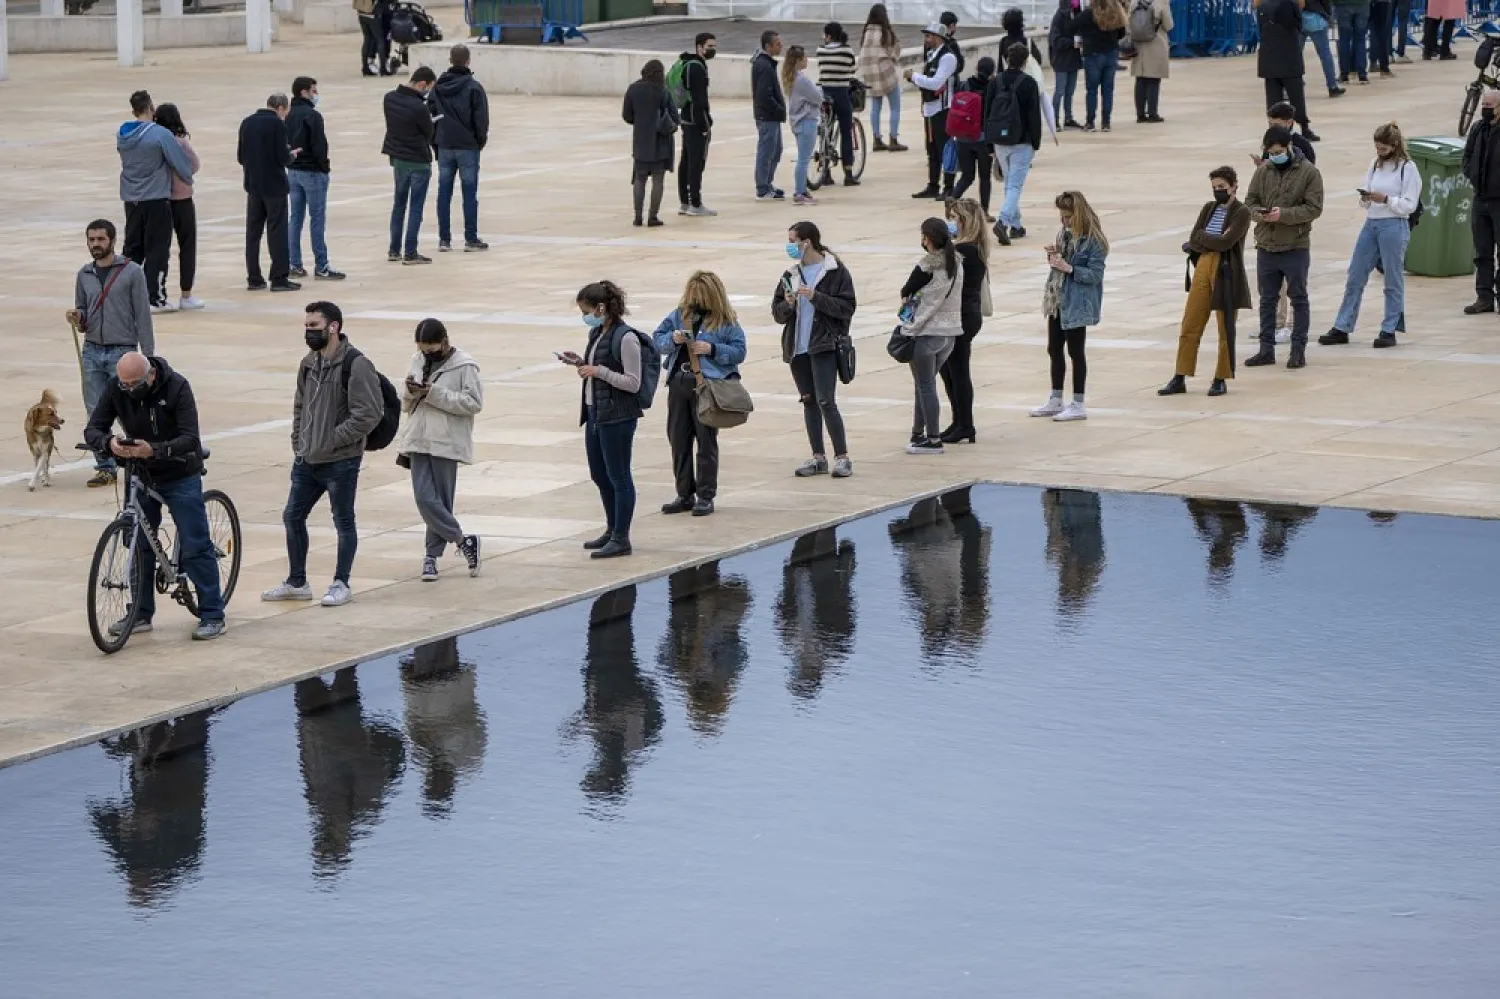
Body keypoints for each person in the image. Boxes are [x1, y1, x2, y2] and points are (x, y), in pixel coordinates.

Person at [84, 351, 224, 641]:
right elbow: (93, 428)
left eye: (135, 383)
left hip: (179, 471)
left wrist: (156, 450)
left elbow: (190, 439)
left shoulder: (177, 387)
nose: (129, 390)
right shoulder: (116, 387)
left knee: (195, 543)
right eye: (124, 384)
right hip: (140, 471)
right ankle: (140, 613)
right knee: (137, 544)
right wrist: (108, 442)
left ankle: (212, 614)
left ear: (150, 375)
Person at [263, 301, 384, 608]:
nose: (308, 332)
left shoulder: (356, 364)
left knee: (343, 521)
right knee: (292, 516)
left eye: (314, 327)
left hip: (340, 461)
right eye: (306, 327)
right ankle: (297, 581)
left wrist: (332, 440)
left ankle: (341, 583)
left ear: (334, 327)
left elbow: (368, 414)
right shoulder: (308, 363)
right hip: (307, 459)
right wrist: (298, 440)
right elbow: (300, 406)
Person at [651, 271, 748, 518]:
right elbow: (656, 340)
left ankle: (705, 495)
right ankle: (684, 493)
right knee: (678, 439)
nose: (695, 301)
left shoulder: (726, 321)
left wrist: (712, 348)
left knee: (706, 441)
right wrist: (672, 339)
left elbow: (739, 352)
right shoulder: (679, 314)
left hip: (706, 385)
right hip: (678, 383)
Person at [67, 220, 155, 487]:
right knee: (95, 411)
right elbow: (83, 311)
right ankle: (105, 466)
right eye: (91, 239)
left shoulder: (131, 273)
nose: (96, 244)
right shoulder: (84, 274)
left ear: (113, 241)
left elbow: (143, 315)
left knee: (130, 409)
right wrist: (77, 317)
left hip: (122, 351)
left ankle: (138, 457)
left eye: (100, 239)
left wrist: (149, 358)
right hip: (92, 350)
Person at [1320, 123, 1421, 348]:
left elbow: (1409, 205)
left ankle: (1389, 328)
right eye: (1377, 148)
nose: (1379, 152)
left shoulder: (1408, 168)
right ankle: (1342, 326)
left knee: (1392, 278)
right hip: (1372, 223)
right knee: (1355, 275)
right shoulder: (1374, 165)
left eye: (1383, 149)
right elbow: (1367, 193)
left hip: (1394, 225)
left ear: (1394, 146)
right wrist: (1366, 198)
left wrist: (1386, 199)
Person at [397, 317, 483, 581]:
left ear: (445, 342)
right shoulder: (418, 359)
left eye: (432, 349)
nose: (427, 354)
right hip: (419, 437)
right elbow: (405, 402)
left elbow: (473, 403)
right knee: (424, 498)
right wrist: (412, 392)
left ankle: (431, 558)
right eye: (423, 349)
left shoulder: (465, 365)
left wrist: (433, 393)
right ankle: (462, 540)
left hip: (446, 441)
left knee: (442, 501)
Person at [772, 220, 856, 478]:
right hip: (798, 347)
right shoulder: (790, 274)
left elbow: (847, 307)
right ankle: (818, 456)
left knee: (826, 401)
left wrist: (815, 297)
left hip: (824, 345)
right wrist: (788, 305)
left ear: (806, 242)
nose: (790, 246)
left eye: (793, 240)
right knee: (809, 401)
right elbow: (777, 313)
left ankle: (842, 457)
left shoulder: (834, 271)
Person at [1160, 166, 1253, 398]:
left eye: (1222, 187)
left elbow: (1226, 242)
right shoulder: (1208, 208)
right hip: (1203, 265)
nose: (1218, 191)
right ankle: (1180, 375)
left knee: (1225, 327)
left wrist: (1206, 239)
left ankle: (1221, 377)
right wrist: (1210, 240)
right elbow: (1195, 237)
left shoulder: (1241, 212)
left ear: (1233, 186)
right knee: (1191, 321)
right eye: (1214, 188)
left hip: (1226, 270)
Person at [1244, 125, 1325, 369]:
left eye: (1279, 151)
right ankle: (1265, 349)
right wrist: (1260, 214)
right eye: (1271, 152)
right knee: (1267, 300)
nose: (1275, 156)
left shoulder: (1309, 173)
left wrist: (1284, 215)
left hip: (1295, 245)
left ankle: (1298, 350)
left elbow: (1314, 208)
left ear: (1289, 147)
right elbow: (1249, 202)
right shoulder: (1263, 171)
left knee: (1298, 298)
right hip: (1266, 245)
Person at [572, 281, 642, 560]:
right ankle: (611, 528)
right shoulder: (597, 333)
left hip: (617, 416)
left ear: (601, 308)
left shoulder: (626, 338)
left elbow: (632, 382)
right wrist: (580, 363)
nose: (585, 315)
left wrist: (598, 371)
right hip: (595, 413)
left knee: (619, 476)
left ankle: (621, 537)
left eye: (586, 310)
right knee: (599, 475)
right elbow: (596, 368)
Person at [1032, 190, 1108, 422]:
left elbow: (1095, 274)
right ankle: (1056, 398)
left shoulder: (1094, 241)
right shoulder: (1064, 234)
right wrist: (1054, 257)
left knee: (1076, 351)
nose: (1064, 221)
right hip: (1058, 297)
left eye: (1068, 216)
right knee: (1054, 349)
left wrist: (1069, 268)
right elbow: (1060, 264)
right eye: (1062, 216)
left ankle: (1078, 401)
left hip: (1078, 301)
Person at [117, 89, 195, 312]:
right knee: (157, 249)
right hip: (156, 198)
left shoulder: (123, 134)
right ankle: (155, 297)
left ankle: (122, 293)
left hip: (131, 198)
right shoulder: (160, 134)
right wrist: (188, 179)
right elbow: (180, 163)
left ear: (133, 110)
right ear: (151, 108)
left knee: (132, 248)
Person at [899, 218, 966, 454]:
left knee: (925, 385)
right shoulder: (956, 263)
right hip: (950, 334)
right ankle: (917, 434)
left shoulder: (928, 264)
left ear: (927, 238)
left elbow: (906, 290)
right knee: (923, 384)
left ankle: (933, 439)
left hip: (928, 332)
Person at [286, 77, 346, 282]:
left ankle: (294, 263)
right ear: (304, 92)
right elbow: (319, 146)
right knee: (317, 219)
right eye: (313, 91)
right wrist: (324, 168)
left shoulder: (287, 114)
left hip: (293, 170)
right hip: (312, 171)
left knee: (295, 218)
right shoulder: (312, 115)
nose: (316, 94)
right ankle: (321, 265)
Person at [238, 93, 298, 293]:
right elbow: (282, 158)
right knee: (277, 232)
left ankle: (254, 278)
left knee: (253, 233)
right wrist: (292, 155)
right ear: (280, 107)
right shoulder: (277, 125)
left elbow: (241, 156)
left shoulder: (247, 123)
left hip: (253, 186)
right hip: (274, 187)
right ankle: (279, 278)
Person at [432, 45, 491, 253]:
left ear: (450, 60)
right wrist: (478, 142)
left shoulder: (438, 87)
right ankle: (470, 238)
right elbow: (481, 120)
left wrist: (435, 141)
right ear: (468, 61)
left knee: (444, 192)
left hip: (445, 145)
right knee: (469, 193)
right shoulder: (474, 87)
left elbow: (431, 116)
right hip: (467, 147)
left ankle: (444, 240)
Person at [941, 199, 990, 442]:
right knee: (949, 370)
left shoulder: (966, 250)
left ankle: (966, 424)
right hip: (964, 314)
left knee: (958, 371)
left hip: (962, 316)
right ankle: (958, 420)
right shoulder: (971, 246)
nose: (952, 223)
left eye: (954, 218)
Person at [987, 44, 1043, 244]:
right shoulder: (1029, 83)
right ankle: (1003, 222)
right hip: (1022, 141)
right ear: (1026, 61)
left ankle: (1016, 226)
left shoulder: (996, 81)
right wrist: (1035, 142)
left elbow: (988, 113)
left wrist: (989, 142)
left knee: (1010, 183)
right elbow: (1034, 116)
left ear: (1006, 59)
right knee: (1015, 185)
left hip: (1000, 141)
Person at [382, 66, 438, 265]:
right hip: (418, 161)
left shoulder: (389, 98)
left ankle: (394, 249)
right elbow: (428, 132)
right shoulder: (419, 107)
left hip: (398, 159)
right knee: (415, 208)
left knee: (398, 205)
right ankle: (411, 252)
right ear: (422, 84)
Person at [151, 103, 203, 311]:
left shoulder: (154, 141)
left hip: (160, 198)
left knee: (160, 248)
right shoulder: (180, 143)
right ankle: (186, 294)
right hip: (182, 200)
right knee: (187, 246)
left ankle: (157, 292)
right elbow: (194, 165)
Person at [908, 23, 962, 199]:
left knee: (945, 148)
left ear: (938, 37)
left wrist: (914, 76)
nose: (926, 40)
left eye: (928, 36)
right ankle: (932, 185)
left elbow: (936, 83)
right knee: (932, 149)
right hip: (930, 109)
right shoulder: (932, 55)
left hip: (943, 109)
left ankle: (948, 187)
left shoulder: (947, 58)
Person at [623, 59, 678, 226]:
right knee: (658, 180)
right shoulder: (663, 91)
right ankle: (653, 216)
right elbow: (675, 117)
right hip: (660, 143)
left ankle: (638, 216)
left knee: (639, 179)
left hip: (640, 142)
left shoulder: (633, 89)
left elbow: (627, 116)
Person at [1258, 0, 1318, 141]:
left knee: (1273, 97)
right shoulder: (1290, 4)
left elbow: (1261, 27)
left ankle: (1274, 129)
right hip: (1288, 56)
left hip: (1269, 56)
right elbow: (1297, 24)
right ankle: (1304, 127)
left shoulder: (1263, 5)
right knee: (1296, 96)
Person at [1462, 89, 1500, 314]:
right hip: (1480, 198)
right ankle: (1484, 296)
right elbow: (1466, 155)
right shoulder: (1478, 128)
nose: (1485, 108)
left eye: (1489, 104)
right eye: (1483, 104)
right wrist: (1471, 173)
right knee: (1482, 251)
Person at [676, 32, 717, 217]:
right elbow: (698, 99)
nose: (712, 50)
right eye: (709, 46)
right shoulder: (697, 68)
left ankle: (685, 202)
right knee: (695, 163)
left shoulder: (688, 64)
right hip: (694, 121)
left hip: (686, 118)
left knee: (686, 161)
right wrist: (704, 125)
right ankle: (695, 203)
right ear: (699, 47)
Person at [950, 56, 996, 217]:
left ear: (976, 68)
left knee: (967, 175)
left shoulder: (965, 84)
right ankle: (984, 211)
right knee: (984, 176)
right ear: (992, 72)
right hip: (982, 138)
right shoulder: (992, 87)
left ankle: (953, 197)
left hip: (963, 137)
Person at [816, 22, 861, 188]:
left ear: (828, 36)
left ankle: (825, 171)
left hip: (825, 93)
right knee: (846, 131)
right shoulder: (846, 50)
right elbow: (852, 68)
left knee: (825, 130)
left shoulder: (820, 50)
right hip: (841, 93)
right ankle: (848, 173)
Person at [858, 4, 906, 151]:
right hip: (886, 73)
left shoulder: (866, 33)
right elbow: (895, 52)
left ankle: (876, 139)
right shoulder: (886, 32)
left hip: (870, 75)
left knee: (876, 107)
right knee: (895, 106)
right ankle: (893, 139)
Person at [1075, 0, 1125, 132]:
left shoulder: (1087, 13)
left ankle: (1090, 122)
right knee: (1108, 89)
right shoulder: (1115, 11)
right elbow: (1122, 32)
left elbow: (1074, 25)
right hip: (1111, 52)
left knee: (1092, 90)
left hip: (1093, 53)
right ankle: (1106, 122)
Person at [784, 46, 824, 206]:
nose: (807, 59)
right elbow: (817, 97)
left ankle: (802, 190)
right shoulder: (801, 80)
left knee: (803, 158)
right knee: (803, 160)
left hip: (798, 122)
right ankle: (799, 192)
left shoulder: (793, 78)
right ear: (798, 60)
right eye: (804, 57)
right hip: (806, 122)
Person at [752, 31, 788, 201]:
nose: (780, 47)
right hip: (767, 117)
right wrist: (778, 109)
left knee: (776, 150)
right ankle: (762, 188)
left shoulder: (766, 64)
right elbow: (764, 95)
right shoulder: (764, 66)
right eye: (777, 44)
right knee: (766, 152)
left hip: (771, 116)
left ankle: (767, 183)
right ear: (768, 46)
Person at [1130, 0, 1174, 123]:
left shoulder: (1135, 2)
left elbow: (1129, 23)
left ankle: (1140, 114)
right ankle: (1152, 113)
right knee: (1154, 79)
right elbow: (1169, 25)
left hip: (1139, 44)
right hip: (1156, 43)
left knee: (1140, 79)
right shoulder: (1161, 2)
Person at [1049, 0, 1084, 128]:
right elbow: (1055, 40)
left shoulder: (1076, 14)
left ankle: (1068, 118)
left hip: (1073, 59)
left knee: (1070, 91)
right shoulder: (1059, 17)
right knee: (1060, 91)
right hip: (1061, 60)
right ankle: (1054, 119)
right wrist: (1071, 42)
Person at [1301, 0, 1345, 97]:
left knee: (1295, 55)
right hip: (1317, 18)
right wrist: (1328, 16)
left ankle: (1292, 85)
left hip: (1298, 19)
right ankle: (1332, 86)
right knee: (1325, 54)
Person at [1333, 0, 1371, 83]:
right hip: (1362, 5)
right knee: (1360, 39)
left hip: (1343, 5)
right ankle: (1362, 75)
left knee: (1344, 39)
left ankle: (1344, 74)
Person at [354, 0, 388, 76]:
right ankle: (383, 69)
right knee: (380, 39)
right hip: (373, 12)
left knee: (367, 39)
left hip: (361, 11)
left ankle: (365, 68)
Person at [1370, 0, 1394, 77]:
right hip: (1381, 2)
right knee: (1381, 33)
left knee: (1358, 36)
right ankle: (1383, 67)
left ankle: (1352, 70)